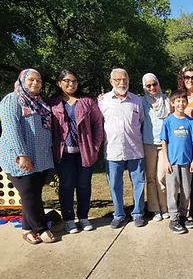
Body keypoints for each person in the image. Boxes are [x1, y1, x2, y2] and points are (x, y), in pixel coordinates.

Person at [0, 69, 57, 243]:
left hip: (39, 159)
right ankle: (41, 228)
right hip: (19, 159)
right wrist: (21, 155)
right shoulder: (12, 100)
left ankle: (26, 229)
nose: (35, 83)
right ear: (22, 80)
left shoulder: (38, 102)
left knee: (31, 194)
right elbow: (11, 129)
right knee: (29, 192)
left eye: (39, 81)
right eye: (31, 80)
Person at [47, 69, 104, 234]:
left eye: (74, 81)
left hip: (85, 151)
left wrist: (95, 146)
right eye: (67, 81)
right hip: (63, 153)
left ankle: (84, 217)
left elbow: (97, 125)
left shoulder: (87, 102)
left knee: (84, 185)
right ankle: (69, 219)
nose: (71, 84)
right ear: (59, 82)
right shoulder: (52, 103)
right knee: (66, 185)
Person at [98, 68, 146, 229]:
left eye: (124, 79)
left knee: (138, 182)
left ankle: (138, 213)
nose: (122, 82)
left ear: (129, 80)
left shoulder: (136, 100)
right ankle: (118, 214)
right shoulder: (103, 101)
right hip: (113, 150)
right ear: (111, 82)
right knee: (114, 184)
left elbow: (141, 121)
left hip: (135, 149)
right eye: (117, 80)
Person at [161, 89, 193, 234]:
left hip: (186, 162)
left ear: (186, 102)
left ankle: (183, 215)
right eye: (178, 101)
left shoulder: (190, 121)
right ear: (172, 103)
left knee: (186, 190)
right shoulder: (168, 121)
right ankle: (174, 218)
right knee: (172, 191)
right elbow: (164, 141)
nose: (181, 103)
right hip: (173, 162)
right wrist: (166, 161)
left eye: (183, 100)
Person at [141, 73, 171, 222]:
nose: (152, 87)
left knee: (162, 177)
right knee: (151, 178)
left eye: (154, 84)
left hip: (164, 143)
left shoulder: (166, 100)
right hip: (148, 143)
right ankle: (154, 209)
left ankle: (165, 207)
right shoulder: (141, 101)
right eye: (148, 85)